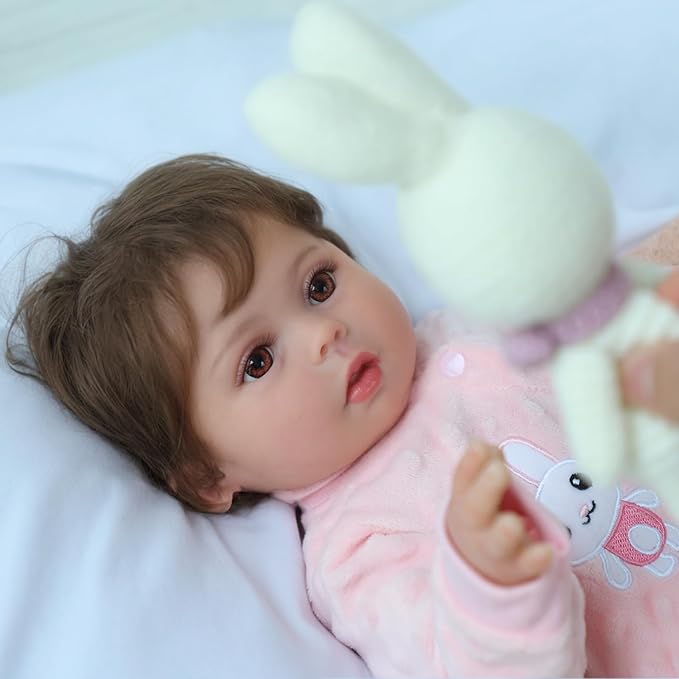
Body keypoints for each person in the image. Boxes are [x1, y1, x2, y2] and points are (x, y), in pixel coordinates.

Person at [6, 154, 679, 677]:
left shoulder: (482, 322)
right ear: (206, 473)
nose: (322, 334)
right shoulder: (359, 548)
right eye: (257, 360)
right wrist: (492, 582)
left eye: (319, 284)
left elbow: (616, 309)